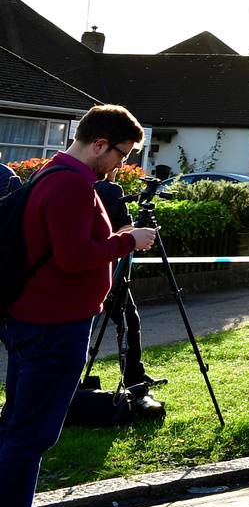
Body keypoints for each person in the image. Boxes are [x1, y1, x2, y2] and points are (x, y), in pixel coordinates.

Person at [1, 105, 158, 507]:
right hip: (53, 326)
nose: (121, 166)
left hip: (37, 320)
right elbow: (72, 258)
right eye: (121, 154)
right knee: (29, 435)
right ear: (99, 144)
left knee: (19, 429)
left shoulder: (54, 174)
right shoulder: (72, 185)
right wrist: (128, 240)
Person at [90, 173, 164, 418]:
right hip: (106, 269)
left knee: (122, 321)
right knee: (127, 322)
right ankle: (135, 381)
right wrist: (137, 235)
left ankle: (66, 386)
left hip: (94, 270)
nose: (120, 164)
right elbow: (124, 230)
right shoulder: (110, 190)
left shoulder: (66, 181)